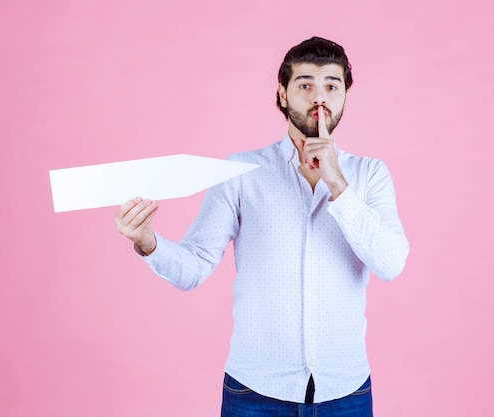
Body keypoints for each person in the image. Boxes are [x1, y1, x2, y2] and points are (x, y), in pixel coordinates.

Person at [115, 36, 409, 417]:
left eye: (331, 86)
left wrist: (338, 183)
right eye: (305, 85)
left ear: (345, 97)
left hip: (346, 393)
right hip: (254, 394)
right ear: (283, 95)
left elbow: (391, 263)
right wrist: (147, 241)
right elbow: (194, 267)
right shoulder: (241, 173)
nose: (319, 97)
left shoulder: (370, 175)